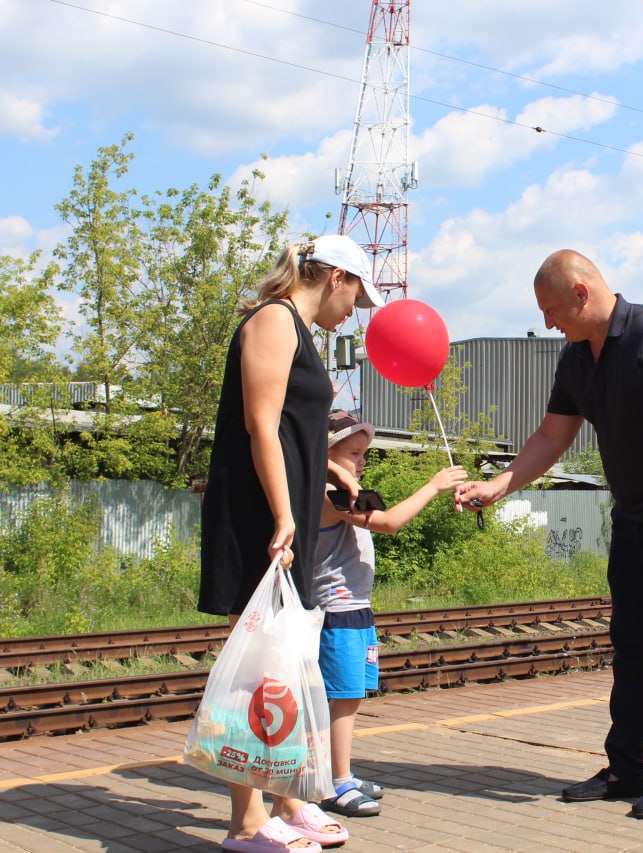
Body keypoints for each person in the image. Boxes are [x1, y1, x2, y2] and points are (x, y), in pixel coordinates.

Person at [454, 249, 643, 819]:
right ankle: (625, 769)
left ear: (581, 292)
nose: (549, 322)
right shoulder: (578, 357)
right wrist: (500, 484)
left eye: (552, 309)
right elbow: (553, 436)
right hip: (631, 520)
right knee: (631, 652)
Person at [199, 234, 384, 853]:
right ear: (335, 277)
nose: (355, 309)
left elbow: (291, 428)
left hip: (290, 511)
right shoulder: (274, 320)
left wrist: (327, 470)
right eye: (357, 294)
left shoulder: (302, 331)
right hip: (260, 514)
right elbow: (259, 423)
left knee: (287, 661)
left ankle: (285, 800)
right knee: (260, 671)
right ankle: (245, 824)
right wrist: (283, 512)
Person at [311, 411, 467, 819]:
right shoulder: (330, 494)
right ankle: (335, 782)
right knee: (341, 698)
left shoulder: (341, 490)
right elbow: (391, 522)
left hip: (355, 610)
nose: (362, 462)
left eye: (365, 453)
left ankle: (338, 772)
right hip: (337, 612)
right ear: (325, 455)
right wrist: (433, 486)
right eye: (353, 453)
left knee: (350, 697)